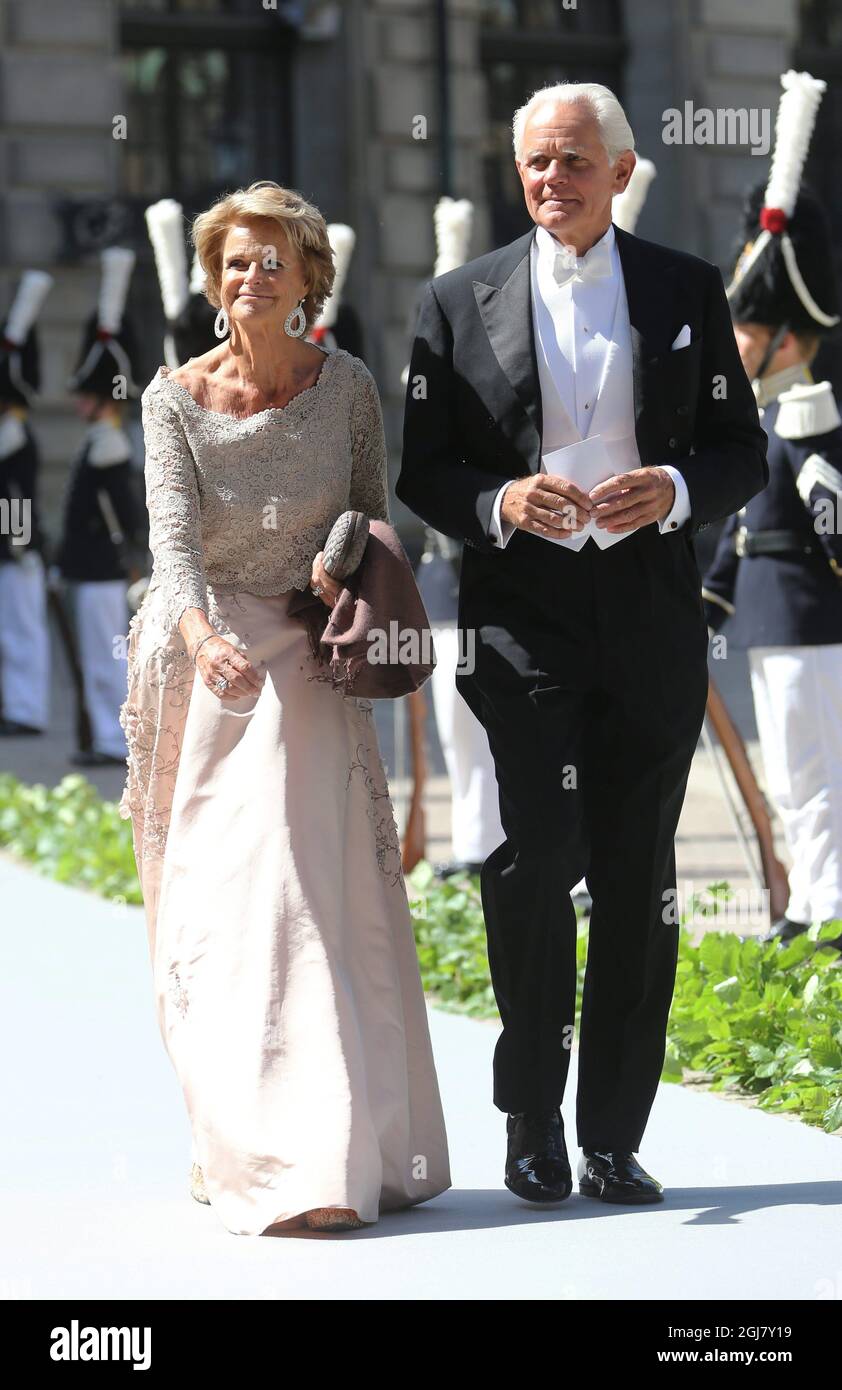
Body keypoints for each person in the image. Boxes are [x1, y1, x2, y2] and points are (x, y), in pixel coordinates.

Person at [398, 81, 767, 1206]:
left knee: (634, 878)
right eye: (531, 167)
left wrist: (671, 492)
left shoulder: (685, 287)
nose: (548, 182)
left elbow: (736, 453)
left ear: (617, 168)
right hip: (523, 626)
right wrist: (505, 500)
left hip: (649, 624)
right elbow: (424, 471)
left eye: (568, 162)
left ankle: (610, 1133)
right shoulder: (455, 300)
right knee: (530, 862)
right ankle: (528, 1117)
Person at [117, 180, 451, 1236]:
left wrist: (335, 559)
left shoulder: (346, 383)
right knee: (213, 913)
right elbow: (171, 555)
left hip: (309, 658)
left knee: (306, 898)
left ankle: (332, 1156)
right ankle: (238, 1148)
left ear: (309, 277)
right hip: (203, 656)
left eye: (271, 260)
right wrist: (208, 643)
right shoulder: (169, 398)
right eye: (233, 260)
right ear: (213, 281)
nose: (249, 276)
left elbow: (371, 508)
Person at [702, 71, 842, 951]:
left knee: (819, 773)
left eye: (747, 335)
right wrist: (709, 597)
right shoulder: (758, 426)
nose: (735, 346)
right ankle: (808, 901)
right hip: (768, 620)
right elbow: (739, 531)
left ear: (785, 340)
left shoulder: (809, 422)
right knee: (792, 777)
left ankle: (829, 911)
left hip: (812, 619)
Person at [58, 248, 146, 767]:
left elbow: (122, 516)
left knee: (106, 657)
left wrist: (18, 539)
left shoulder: (109, 445)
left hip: (101, 569)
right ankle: (105, 739)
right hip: (87, 566)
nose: (76, 401)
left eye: (84, 394)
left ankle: (114, 741)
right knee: (98, 657)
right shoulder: (98, 439)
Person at [0, 270, 53, 738]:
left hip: (14, 547)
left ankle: (26, 708)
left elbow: (15, 498)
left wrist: (16, 542)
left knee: (20, 630)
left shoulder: (14, 436)